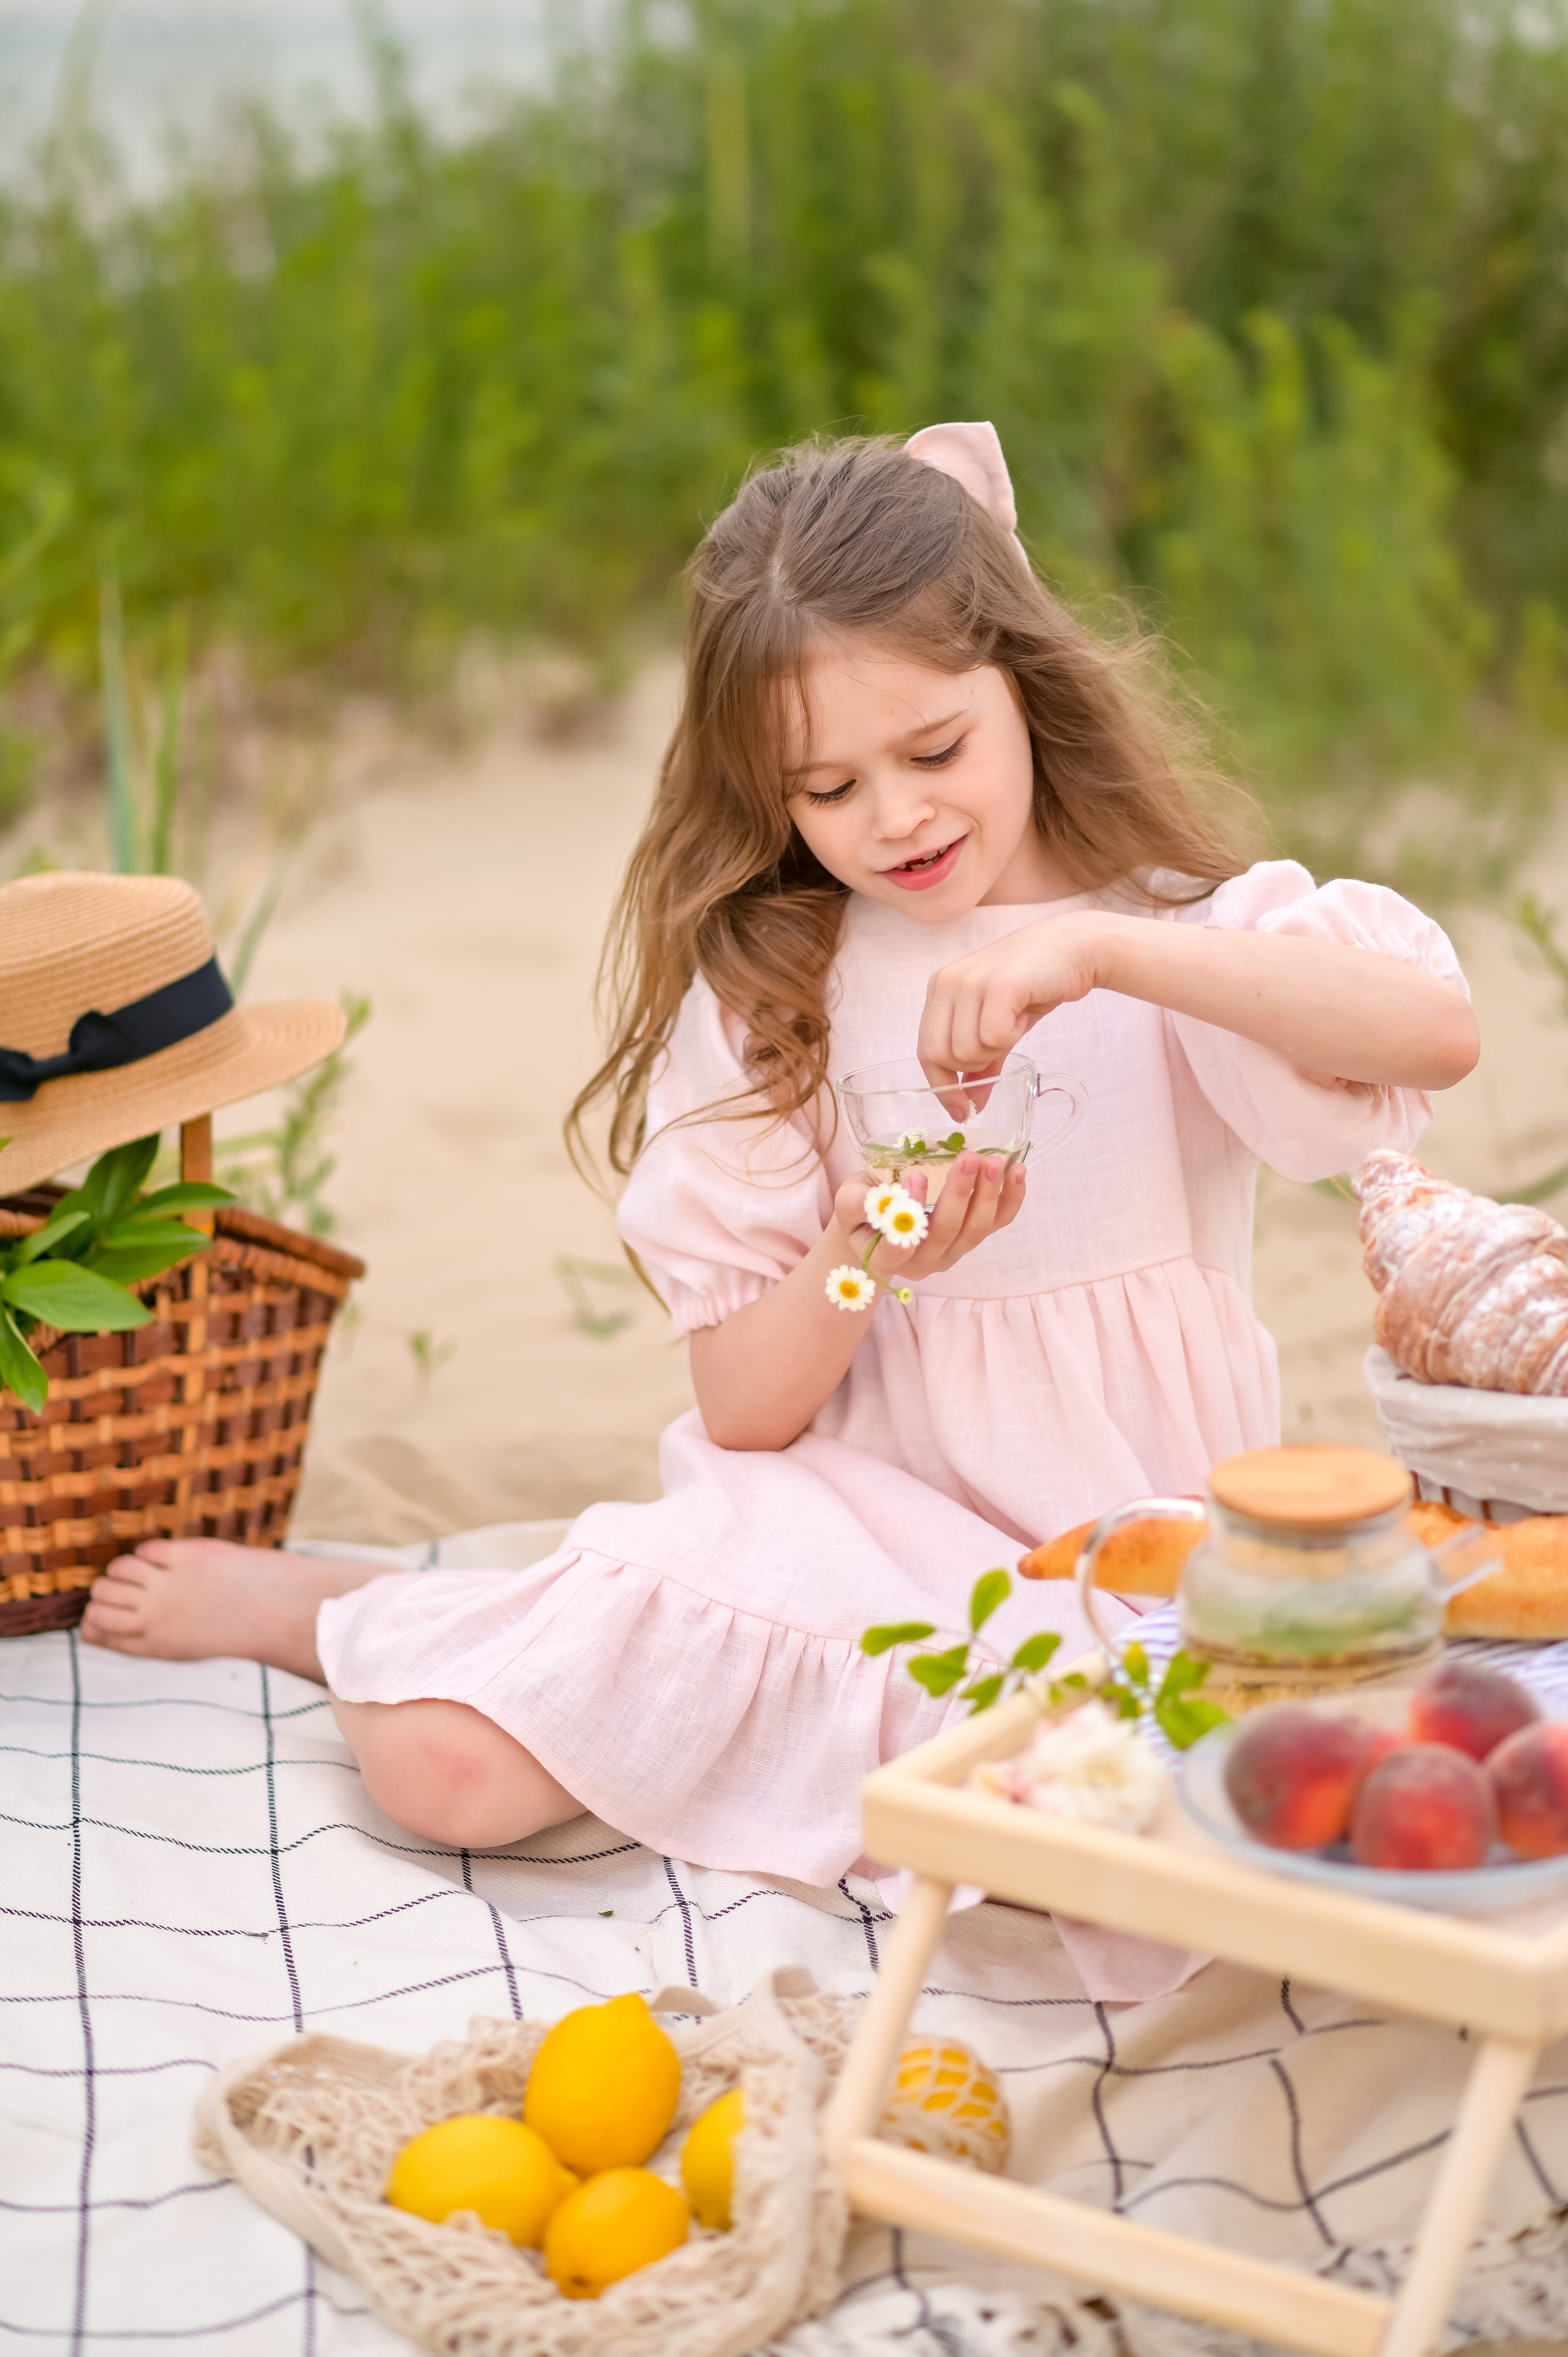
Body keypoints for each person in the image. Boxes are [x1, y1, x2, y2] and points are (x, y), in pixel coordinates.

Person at [81, 424, 1478, 1888]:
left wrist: (1104, 946)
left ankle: (543, 1616)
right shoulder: (780, 982)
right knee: (444, 1767)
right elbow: (745, 1409)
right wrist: (871, 1245)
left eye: (933, 749)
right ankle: (352, 1609)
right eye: (824, 790)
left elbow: (1429, 1033)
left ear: (1024, 681)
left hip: (1124, 1565)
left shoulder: (1174, 936)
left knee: (1102, 1819)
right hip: (843, 1533)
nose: (895, 819)